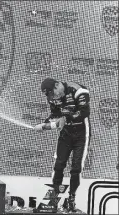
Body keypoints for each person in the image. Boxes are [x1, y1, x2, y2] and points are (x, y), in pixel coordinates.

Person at [34, 78, 91, 212]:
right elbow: (55, 115)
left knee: (76, 168)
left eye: (53, 93)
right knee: (59, 165)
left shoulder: (78, 90)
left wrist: (66, 118)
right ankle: (53, 199)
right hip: (66, 134)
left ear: (57, 85)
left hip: (82, 134)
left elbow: (84, 112)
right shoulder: (52, 98)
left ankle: (71, 200)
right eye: (50, 96)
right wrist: (45, 124)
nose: (54, 97)